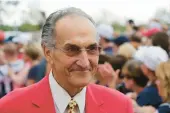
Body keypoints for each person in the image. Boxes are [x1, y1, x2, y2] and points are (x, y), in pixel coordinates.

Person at [0, 7, 133, 113]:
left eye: (92, 49)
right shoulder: (10, 107)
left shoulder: (120, 106)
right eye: (72, 49)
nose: (85, 62)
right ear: (48, 52)